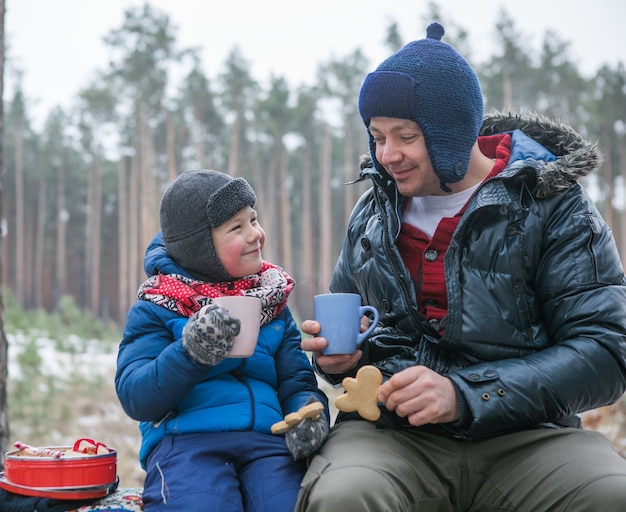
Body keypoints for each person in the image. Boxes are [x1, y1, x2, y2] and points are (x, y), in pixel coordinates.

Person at [295, 22, 626, 512]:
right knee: (343, 495)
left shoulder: (553, 205)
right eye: (377, 136)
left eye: (405, 136)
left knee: (611, 493)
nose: (387, 155)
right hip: (392, 438)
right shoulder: (371, 215)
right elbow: (358, 339)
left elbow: (606, 352)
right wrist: (339, 360)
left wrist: (465, 394)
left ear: (453, 132)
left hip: (530, 437)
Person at [116, 170, 329, 511]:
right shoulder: (157, 306)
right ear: (201, 248)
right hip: (186, 444)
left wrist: (308, 413)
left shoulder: (271, 301)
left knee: (290, 504)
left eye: (254, 220)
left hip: (268, 443)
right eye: (236, 227)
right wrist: (192, 352)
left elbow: (295, 380)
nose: (255, 235)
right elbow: (136, 396)